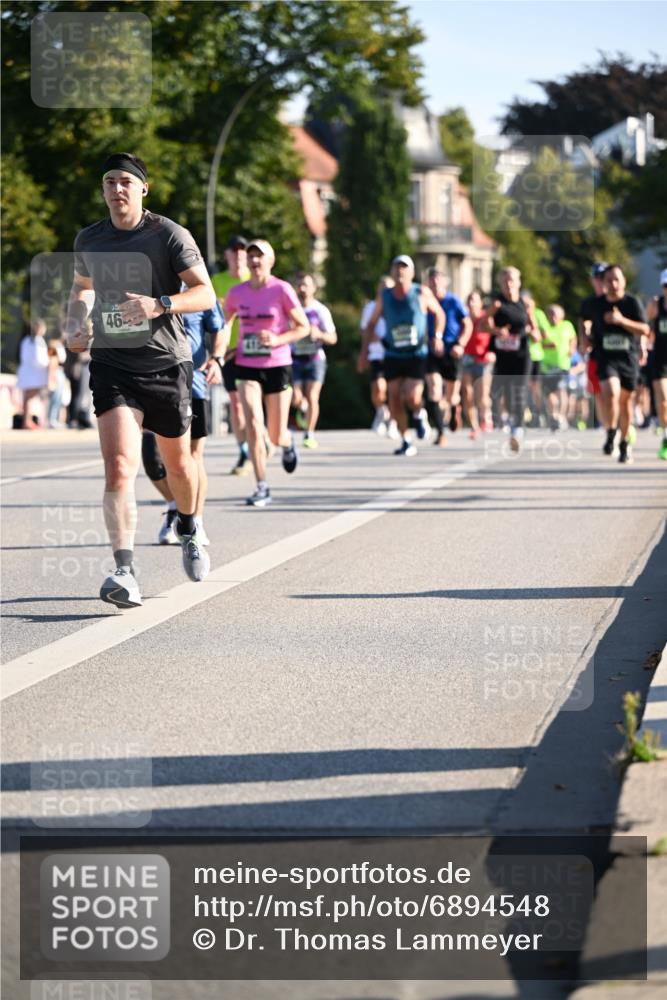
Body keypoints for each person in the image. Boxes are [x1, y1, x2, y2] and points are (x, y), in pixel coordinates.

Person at [64, 152, 216, 608]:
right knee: (118, 467)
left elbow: (206, 293)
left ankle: (188, 524)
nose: (117, 188)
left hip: (166, 363)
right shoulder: (90, 238)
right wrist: (76, 325)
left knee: (180, 465)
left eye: (126, 181)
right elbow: (81, 290)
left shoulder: (168, 234)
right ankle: (124, 570)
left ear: (142, 188)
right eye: (109, 181)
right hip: (112, 364)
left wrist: (159, 305)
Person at [223, 239, 309, 507]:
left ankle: (287, 441)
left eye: (260, 257)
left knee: (274, 434)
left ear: (270, 261)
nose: (254, 261)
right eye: (251, 257)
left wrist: (277, 339)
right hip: (247, 365)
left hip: (277, 365)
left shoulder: (282, 290)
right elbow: (225, 325)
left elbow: (303, 327)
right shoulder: (237, 293)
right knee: (253, 425)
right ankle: (262, 486)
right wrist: (222, 349)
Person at [144, 298, 226, 545]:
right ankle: (174, 506)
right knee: (151, 459)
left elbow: (218, 329)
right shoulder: (150, 282)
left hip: (193, 386)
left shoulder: (198, 288)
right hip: (152, 383)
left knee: (192, 456)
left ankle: (195, 520)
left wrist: (217, 359)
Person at [359, 255, 444, 457]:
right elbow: (371, 324)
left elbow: (439, 314)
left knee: (412, 396)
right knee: (394, 398)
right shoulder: (385, 296)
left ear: (412, 273)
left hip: (416, 353)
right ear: (391, 272)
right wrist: (364, 352)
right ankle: (406, 439)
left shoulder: (421, 293)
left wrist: (437, 337)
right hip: (393, 353)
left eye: (404, 268)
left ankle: (419, 413)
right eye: (396, 268)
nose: (400, 272)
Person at [591, 264, 650, 463]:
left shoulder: (632, 303)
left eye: (617, 279)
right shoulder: (597, 304)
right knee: (611, 392)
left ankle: (624, 443)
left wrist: (621, 320)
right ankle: (611, 430)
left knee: (625, 403)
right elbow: (588, 325)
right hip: (606, 358)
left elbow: (644, 329)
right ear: (604, 283)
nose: (613, 284)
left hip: (628, 359)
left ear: (624, 281)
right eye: (609, 280)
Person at [487, 267, 540, 453]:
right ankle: (515, 422)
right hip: (503, 356)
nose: (509, 284)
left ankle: (517, 430)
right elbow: (482, 326)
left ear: (519, 282)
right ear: (500, 284)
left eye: (512, 280)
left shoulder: (526, 304)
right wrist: (496, 331)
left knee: (519, 391)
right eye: (505, 281)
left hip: (522, 355)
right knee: (506, 395)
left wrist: (533, 333)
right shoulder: (497, 304)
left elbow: (537, 332)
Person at [212, 235, 252, 475]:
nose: (238, 255)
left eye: (242, 251)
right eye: (233, 250)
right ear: (227, 255)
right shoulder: (217, 280)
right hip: (230, 351)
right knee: (237, 405)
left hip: (257, 353)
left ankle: (260, 436)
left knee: (252, 403)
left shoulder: (255, 279)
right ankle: (245, 451)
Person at [425, 268, 472, 446]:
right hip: (432, 350)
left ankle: (454, 410)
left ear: (445, 282)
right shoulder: (426, 301)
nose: (435, 284)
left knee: (452, 395)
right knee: (434, 389)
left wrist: (461, 344)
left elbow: (467, 324)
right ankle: (440, 432)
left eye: (438, 281)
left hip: (452, 350)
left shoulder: (453, 301)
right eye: (432, 281)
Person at [291, 272, 337, 449]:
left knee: (312, 396)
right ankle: (302, 408)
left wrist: (319, 334)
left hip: (315, 359)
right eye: (300, 285)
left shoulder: (320, 310)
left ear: (314, 288)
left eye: (306, 285)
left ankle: (309, 433)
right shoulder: (292, 309)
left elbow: (333, 338)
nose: (302, 289)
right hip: (294, 359)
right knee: (296, 398)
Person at [358, 277, 398, 438]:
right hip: (376, 353)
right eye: (382, 288)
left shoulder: (396, 306)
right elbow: (366, 329)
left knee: (394, 391)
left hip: (394, 354)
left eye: (388, 288)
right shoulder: (370, 308)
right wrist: (364, 352)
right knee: (378, 389)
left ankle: (394, 423)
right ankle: (382, 411)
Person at [578, 263, 609, 431]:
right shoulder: (589, 303)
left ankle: (617, 424)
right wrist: (583, 338)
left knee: (615, 393)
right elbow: (582, 322)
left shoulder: (620, 300)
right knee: (598, 392)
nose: (601, 281)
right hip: (597, 353)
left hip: (618, 355)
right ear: (593, 280)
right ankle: (609, 428)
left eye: (603, 277)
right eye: (597, 277)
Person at [461, 290, 495, 438]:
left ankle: (486, 417)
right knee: (467, 393)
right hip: (467, 358)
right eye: (469, 300)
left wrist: (492, 351)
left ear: (480, 303)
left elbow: (494, 336)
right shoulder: (464, 319)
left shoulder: (485, 318)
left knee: (482, 395)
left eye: (474, 299)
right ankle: (474, 426)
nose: (471, 303)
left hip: (483, 359)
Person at [541, 304, 576, 430]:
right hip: (547, 365)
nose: (553, 317)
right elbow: (537, 343)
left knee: (561, 390)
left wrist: (572, 348)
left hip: (563, 364)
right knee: (549, 393)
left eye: (555, 314)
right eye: (550, 314)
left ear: (562, 315)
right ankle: (553, 416)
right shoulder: (544, 327)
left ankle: (561, 416)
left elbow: (573, 338)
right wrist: (547, 346)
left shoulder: (567, 326)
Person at [646, 268, 667, 460]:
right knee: (662, 398)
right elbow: (648, 328)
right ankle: (666, 435)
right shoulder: (655, 304)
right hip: (660, 357)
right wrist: (644, 347)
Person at [16, 319, 49, 429]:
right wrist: (49, 362)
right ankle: (30, 421)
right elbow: (40, 359)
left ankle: (27, 421)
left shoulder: (25, 340)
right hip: (36, 374)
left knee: (27, 398)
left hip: (26, 373)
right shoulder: (38, 340)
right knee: (31, 398)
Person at [47, 335, 68, 428]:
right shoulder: (54, 346)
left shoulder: (58, 345)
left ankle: (54, 418)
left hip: (59, 371)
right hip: (56, 372)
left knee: (59, 397)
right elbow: (53, 361)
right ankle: (51, 419)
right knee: (55, 397)